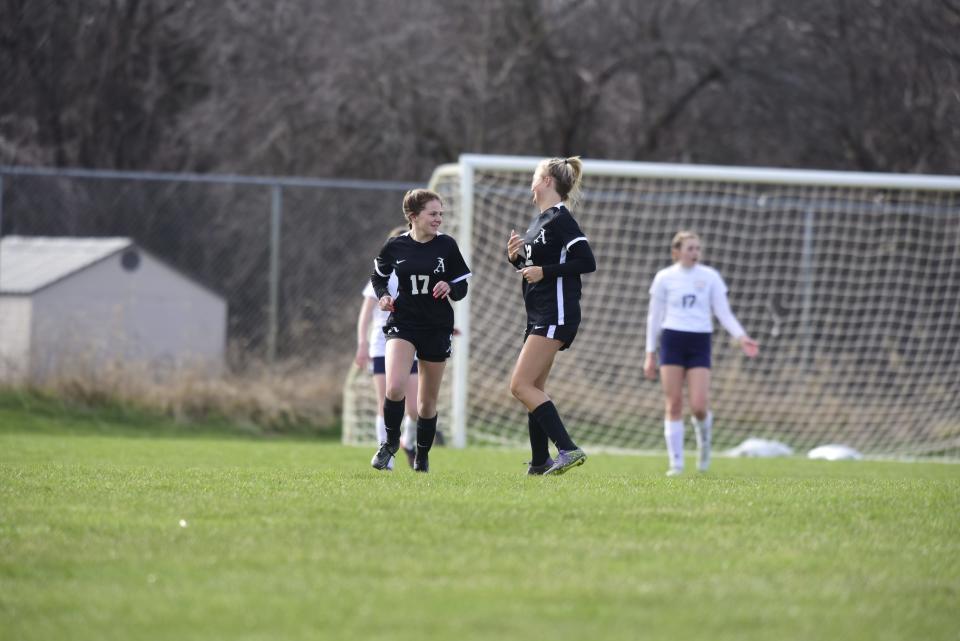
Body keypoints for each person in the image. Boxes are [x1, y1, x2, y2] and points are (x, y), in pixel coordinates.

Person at [506, 156, 596, 476]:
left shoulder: (560, 218)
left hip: (556, 312)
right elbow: (533, 273)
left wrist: (543, 270)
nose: (530, 182)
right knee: (534, 386)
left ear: (546, 181)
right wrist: (516, 259)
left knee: (519, 386)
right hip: (539, 313)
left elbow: (586, 261)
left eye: (534, 176)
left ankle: (568, 449)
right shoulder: (538, 222)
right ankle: (539, 461)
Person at [369, 189, 471, 473]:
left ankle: (422, 457)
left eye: (441, 214)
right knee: (395, 386)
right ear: (413, 216)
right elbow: (378, 275)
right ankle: (389, 443)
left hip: (437, 327)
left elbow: (462, 287)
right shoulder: (395, 246)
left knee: (426, 404)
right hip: (404, 323)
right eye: (432, 214)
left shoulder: (447, 246)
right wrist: (383, 297)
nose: (438, 219)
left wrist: (450, 286)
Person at [643, 231, 759, 476]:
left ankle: (704, 447)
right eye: (690, 248)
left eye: (697, 248)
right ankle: (676, 464)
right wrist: (650, 353)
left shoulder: (710, 277)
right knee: (673, 404)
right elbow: (654, 317)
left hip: (699, 341)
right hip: (672, 340)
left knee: (698, 405)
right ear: (677, 252)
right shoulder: (664, 277)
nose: (695, 253)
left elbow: (723, 312)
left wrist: (741, 336)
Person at [355, 226, 421, 469]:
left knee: (414, 407)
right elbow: (365, 315)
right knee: (386, 400)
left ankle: (409, 442)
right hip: (382, 345)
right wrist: (362, 344)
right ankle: (387, 456)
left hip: (410, 342)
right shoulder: (381, 275)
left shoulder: (418, 273)